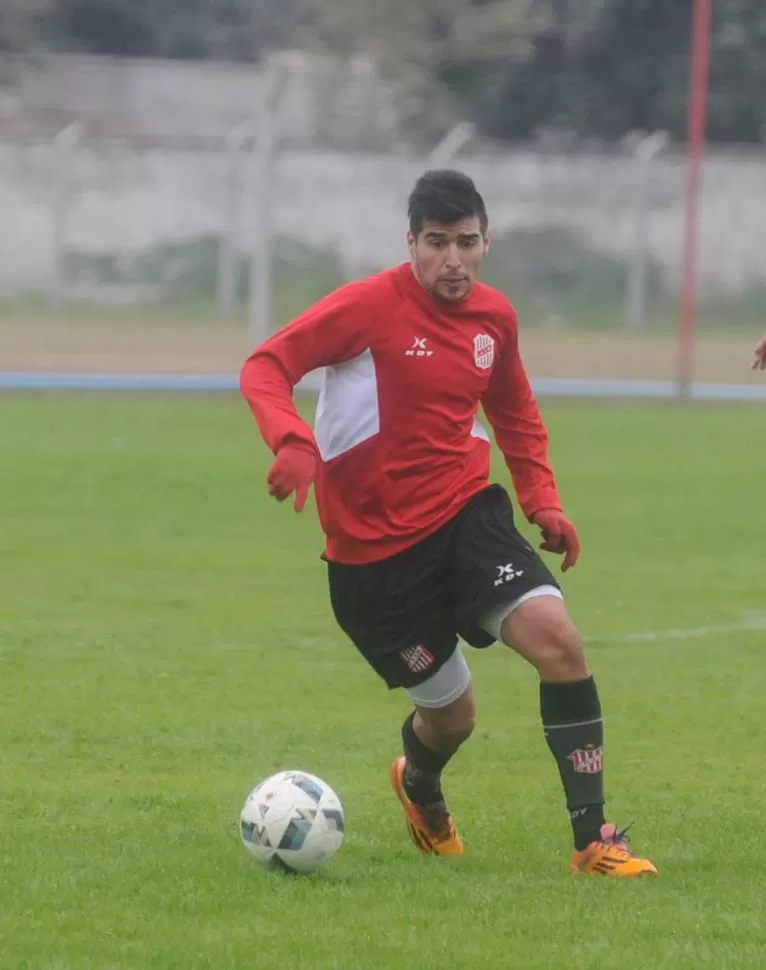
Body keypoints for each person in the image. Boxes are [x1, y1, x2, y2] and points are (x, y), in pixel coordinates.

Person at [239, 169, 657, 877]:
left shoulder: (495, 318)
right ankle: (420, 782)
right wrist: (291, 441)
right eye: (436, 244)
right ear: (411, 243)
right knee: (452, 718)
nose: (452, 261)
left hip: (467, 518)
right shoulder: (368, 306)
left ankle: (594, 840)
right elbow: (266, 364)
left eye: (466, 243)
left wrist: (542, 499)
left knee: (560, 643)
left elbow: (515, 412)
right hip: (374, 565)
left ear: (486, 241)